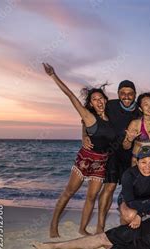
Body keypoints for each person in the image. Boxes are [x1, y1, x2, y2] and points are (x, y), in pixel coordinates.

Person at [42, 63, 116, 238]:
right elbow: (70, 95)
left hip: (101, 162)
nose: (99, 101)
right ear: (90, 103)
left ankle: (82, 228)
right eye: (95, 99)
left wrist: (83, 134)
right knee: (69, 191)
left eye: (101, 98)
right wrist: (53, 75)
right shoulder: (89, 117)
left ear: (105, 100)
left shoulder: (111, 117)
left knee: (91, 197)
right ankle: (53, 225)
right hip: (85, 159)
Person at [83, 80, 140, 233]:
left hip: (131, 155)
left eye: (130, 93)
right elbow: (87, 117)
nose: (126, 96)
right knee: (110, 187)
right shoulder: (110, 105)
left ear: (135, 95)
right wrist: (84, 135)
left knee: (130, 189)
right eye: (123, 93)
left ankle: (127, 221)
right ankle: (100, 227)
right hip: (112, 153)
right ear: (118, 94)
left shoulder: (139, 112)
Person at [123, 92, 150, 166]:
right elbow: (125, 147)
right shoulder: (135, 124)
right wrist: (130, 140)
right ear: (140, 108)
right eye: (146, 104)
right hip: (138, 161)